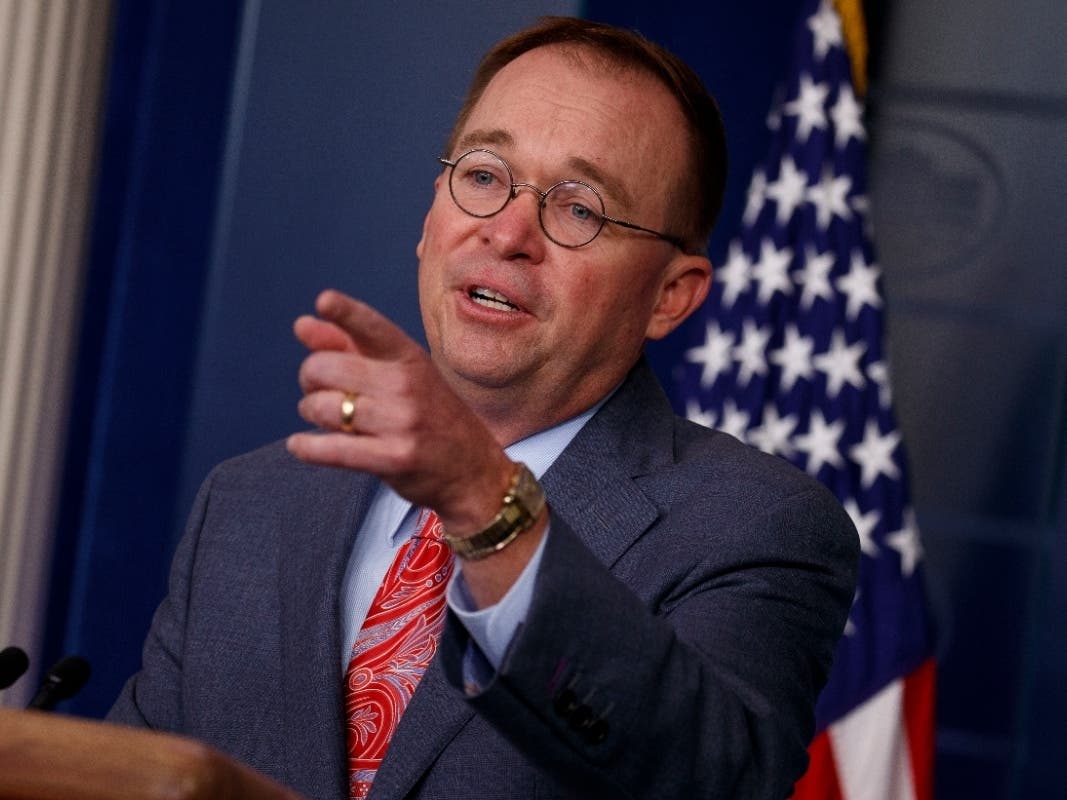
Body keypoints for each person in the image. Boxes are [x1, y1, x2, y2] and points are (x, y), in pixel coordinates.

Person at [109, 16, 858, 800]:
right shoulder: (248, 506)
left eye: (579, 208)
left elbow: (702, 781)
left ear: (669, 297)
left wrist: (480, 498)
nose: (506, 234)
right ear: (432, 213)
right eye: (484, 174)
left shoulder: (756, 527)